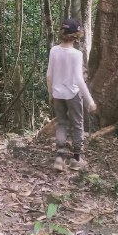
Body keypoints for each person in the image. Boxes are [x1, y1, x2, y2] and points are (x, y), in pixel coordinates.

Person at [47, 18, 96, 172]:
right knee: (77, 124)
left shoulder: (54, 50)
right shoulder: (76, 54)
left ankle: (59, 158)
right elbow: (79, 80)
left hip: (57, 93)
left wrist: (51, 93)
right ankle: (76, 158)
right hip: (73, 94)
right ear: (77, 35)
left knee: (62, 123)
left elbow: (49, 75)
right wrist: (90, 101)